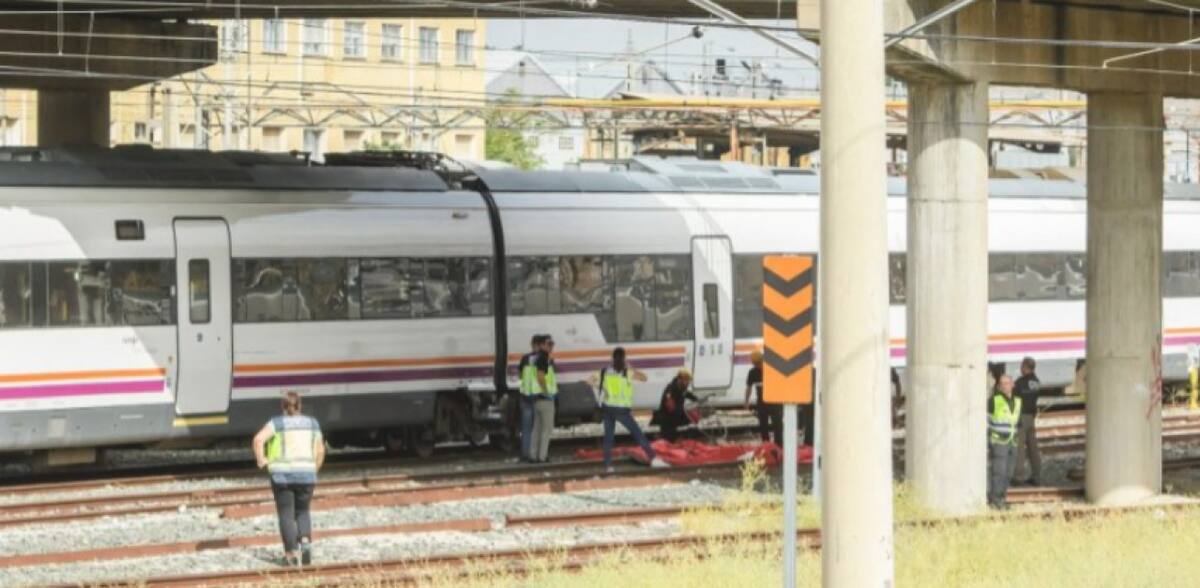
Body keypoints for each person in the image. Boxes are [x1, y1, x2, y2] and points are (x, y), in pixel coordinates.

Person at [252, 391, 326, 567]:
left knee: (286, 514)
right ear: (300, 406)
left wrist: (261, 459)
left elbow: (258, 440)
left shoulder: (277, 423)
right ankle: (306, 542)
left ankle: (291, 554)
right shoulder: (312, 423)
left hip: (282, 476)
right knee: (303, 511)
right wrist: (314, 469)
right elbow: (321, 450)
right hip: (307, 474)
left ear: (283, 406)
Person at [590, 347, 670, 472]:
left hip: (608, 408)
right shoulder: (627, 372)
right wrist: (630, 367)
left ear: (612, 358)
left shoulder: (604, 371)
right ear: (624, 358)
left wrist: (601, 388)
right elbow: (644, 378)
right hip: (622, 410)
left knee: (608, 438)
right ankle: (653, 458)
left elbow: (589, 380)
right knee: (638, 434)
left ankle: (608, 466)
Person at [987, 374, 1022, 510]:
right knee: (999, 472)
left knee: (1008, 472)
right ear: (999, 386)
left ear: (1012, 384)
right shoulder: (994, 400)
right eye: (1002, 383)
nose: (1005, 386)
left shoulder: (1017, 401)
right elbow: (985, 420)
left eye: (1007, 383)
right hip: (999, 441)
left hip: (1012, 441)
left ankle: (1002, 498)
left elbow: (1017, 422)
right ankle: (995, 500)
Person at [1013, 357, 1042, 486]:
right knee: (1033, 448)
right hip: (1032, 417)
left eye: (1021, 366)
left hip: (1022, 416)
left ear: (1026, 367)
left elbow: (1015, 400)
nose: (1020, 368)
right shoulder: (1037, 381)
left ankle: (1019, 477)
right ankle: (1037, 476)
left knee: (1020, 448)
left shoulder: (1020, 383)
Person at [528, 335, 558, 463]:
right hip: (545, 400)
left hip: (537, 399)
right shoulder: (543, 359)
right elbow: (540, 377)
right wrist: (547, 393)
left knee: (537, 429)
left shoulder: (536, 358)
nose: (551, 346)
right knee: (547, 429)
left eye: (552, 343)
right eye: (548, 344)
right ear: (542, 345)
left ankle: (533, 455)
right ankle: (542, 456)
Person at [517, 334, 545, 463]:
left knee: (526, 429)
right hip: (538, 398)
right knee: (538, 428)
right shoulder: (544, 359)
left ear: (532, 344)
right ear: (540, 345)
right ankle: (537, 455)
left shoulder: (524, 359)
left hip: (525, 397)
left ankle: (525, 454)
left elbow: (521, 376)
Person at [744, 350, 782, 444]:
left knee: (777, 425)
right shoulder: (752, 372)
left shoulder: (772, 369)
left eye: (759, 363)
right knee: (763, 426)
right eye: (755, 364)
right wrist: (746, 402)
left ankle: (779, 445)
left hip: (775, 402)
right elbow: (749, 388)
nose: (757, 365)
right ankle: (766, 444)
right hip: (762, 403)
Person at [652, 368, 698, 442]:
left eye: (688, 381)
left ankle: (663, 437)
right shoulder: (671, 389)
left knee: (689, 425)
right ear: (680, 379)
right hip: (668, 420)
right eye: (686, 381)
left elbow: (687, 394)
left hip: (674, 418)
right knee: (669, 441)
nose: (688, 383)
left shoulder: (681, 388)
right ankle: (661, 437)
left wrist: (696, 399)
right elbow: (670, 406)